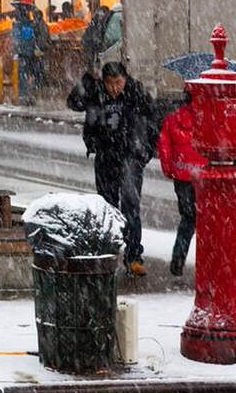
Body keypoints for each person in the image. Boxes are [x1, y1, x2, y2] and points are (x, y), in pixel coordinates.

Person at [67, 62, 156, 276]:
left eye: (118, 82)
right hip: (106, 155)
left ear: (125, 79)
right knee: (107, 207)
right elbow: (73, 102)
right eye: (110, 83)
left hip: (130, 156)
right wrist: (85, 82)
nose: (115, 88)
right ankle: (108, 253)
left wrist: (145, 150)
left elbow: (152, 119)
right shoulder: (97, 95)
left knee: (130, 206)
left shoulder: (135, 94)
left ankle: (133, 256)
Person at [156, 100, 206, 276]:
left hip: (182, 174)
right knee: (205, 220)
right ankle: (207, 261)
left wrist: (169, 168)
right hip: (203, 175)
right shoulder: (208, 119)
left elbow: (164, 145)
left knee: (188, 218)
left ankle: (178, 258)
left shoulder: (172, 119)